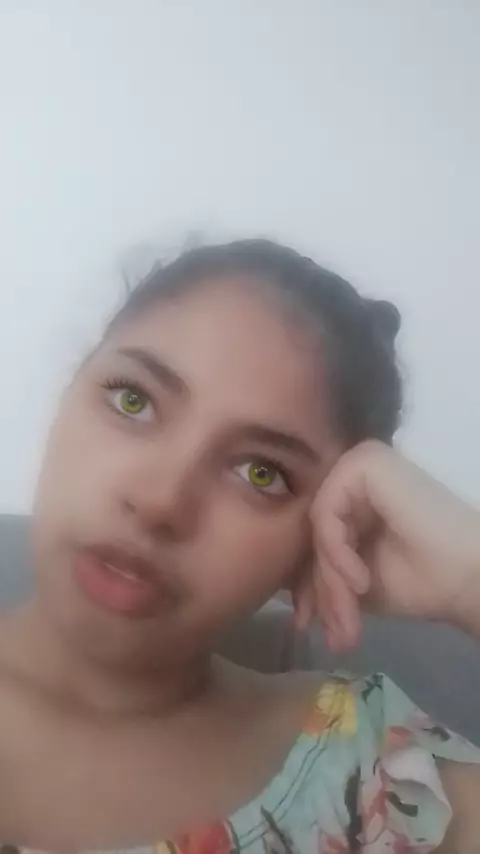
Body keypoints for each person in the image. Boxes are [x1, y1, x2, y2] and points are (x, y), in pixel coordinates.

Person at [0, 239, 479, 854]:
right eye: (133, 400)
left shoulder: (375, 773)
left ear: (321, 536)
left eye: (261, 472)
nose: (161, 501)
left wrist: (470, 579)